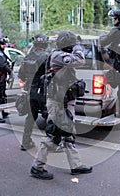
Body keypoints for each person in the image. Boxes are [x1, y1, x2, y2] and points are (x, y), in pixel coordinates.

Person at [30, 30, 92, 180]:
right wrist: (77, 45)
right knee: (53, 134)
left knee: (68, 134)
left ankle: (76, 165)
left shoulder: (62, 54)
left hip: (65, 101)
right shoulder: (58, 56)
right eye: (71, 43)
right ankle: (37, 167)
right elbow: (80, 60)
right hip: (58, 103)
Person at [18, 33, 49, 151]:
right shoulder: (47, 56)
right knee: (49, 117)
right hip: (43, 91)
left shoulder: (28, 56)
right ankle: (50, 145)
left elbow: (21, 74)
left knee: (31, 117)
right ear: (45, 43)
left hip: (30, 90)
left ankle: (25, 142)